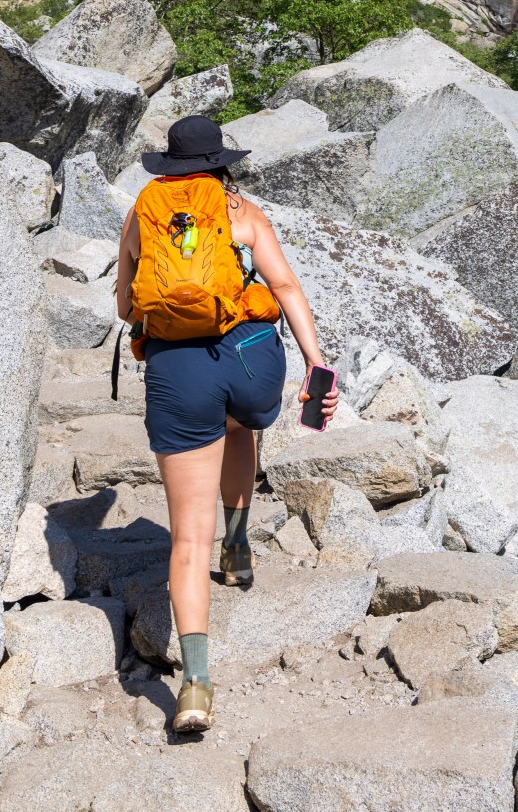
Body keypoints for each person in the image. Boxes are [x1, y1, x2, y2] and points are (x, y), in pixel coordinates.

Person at [116, 115, 338, 733]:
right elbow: (286, 286)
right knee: (240, 425)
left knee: (188, 538)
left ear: (170, 167)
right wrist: (317, 365)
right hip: (250, 364)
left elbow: (125, 304)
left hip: (178, 374)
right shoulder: (242, 212)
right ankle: (238, 548)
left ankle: (194, 685)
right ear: (220, 162)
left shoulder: (143, 213)